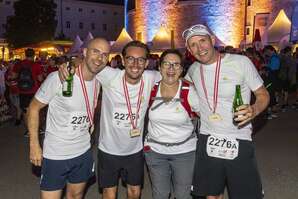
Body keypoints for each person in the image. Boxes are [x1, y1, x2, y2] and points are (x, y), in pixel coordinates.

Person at [182, 24, 270, 199]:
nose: (199, 48)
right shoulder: (192, 70)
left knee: (244, 195)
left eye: (202, 41)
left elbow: (263, 94)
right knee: (211, 195)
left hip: (238, 136)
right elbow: (184, 89)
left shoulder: (240, 62)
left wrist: (254, 109)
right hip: (207, 137)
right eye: (193, 45)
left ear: (212, 40)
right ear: (189, 50)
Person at [27, 38, 110, 199]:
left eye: (105, 55)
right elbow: (33, 108)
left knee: (76, 195)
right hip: (56, 153)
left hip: (83, 151)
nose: (100, 58)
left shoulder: (99, 80)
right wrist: (34, 145)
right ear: (85, 52)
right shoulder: (60, 78)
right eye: (95, 51)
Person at [143, 49, 200, 199]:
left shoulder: (190, 91)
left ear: (181, 69)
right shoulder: (150, 88)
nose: (171, 69)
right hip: (155, 151)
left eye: (176, 65)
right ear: (159, 67)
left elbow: (208, 116)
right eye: (167, 64)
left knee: (183, 195)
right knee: (160, 194)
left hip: (185, 152)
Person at [12, 48, 43, 136]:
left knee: (25, 112)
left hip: (22, 91)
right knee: (36, 110)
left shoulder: (18, 64)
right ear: (34, 55)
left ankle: (28, 131)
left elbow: (14, 76)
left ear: (25, 55)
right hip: (34, 91)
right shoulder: (36, 65)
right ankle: (37, 129)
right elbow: (40, 78)